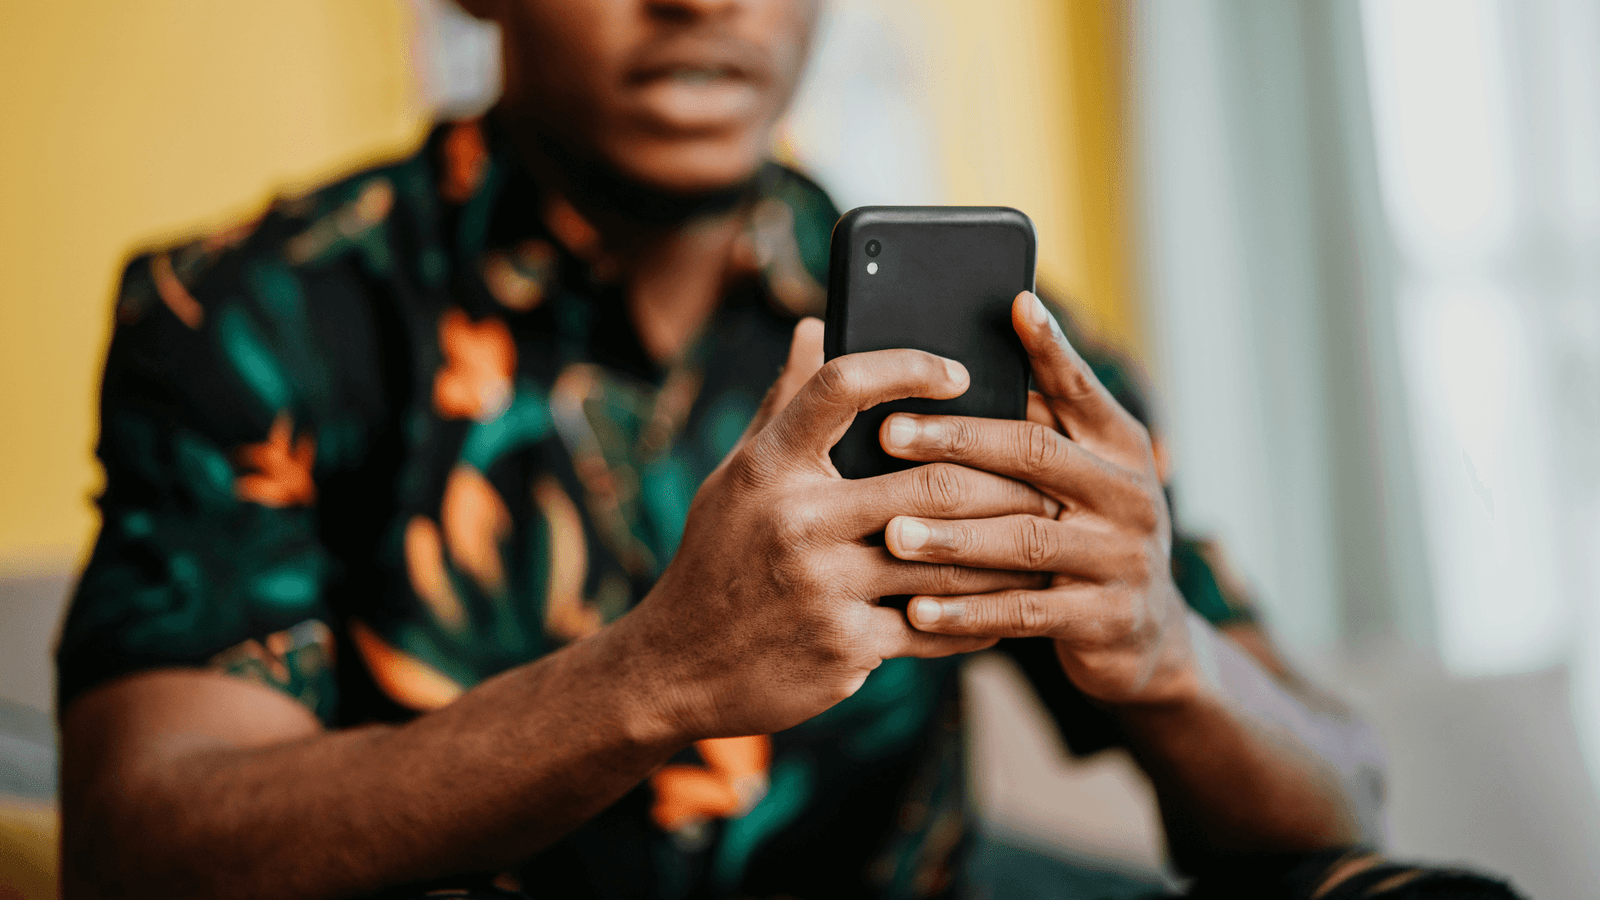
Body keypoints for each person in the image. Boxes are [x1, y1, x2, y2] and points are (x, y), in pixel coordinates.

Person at [55, 1, 1515, 898]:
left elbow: (1340, 798)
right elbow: (144, 845)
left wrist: (1169, 652)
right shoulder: (257, 314)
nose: (705, 2)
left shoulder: (984, 331)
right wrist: (652, 678)